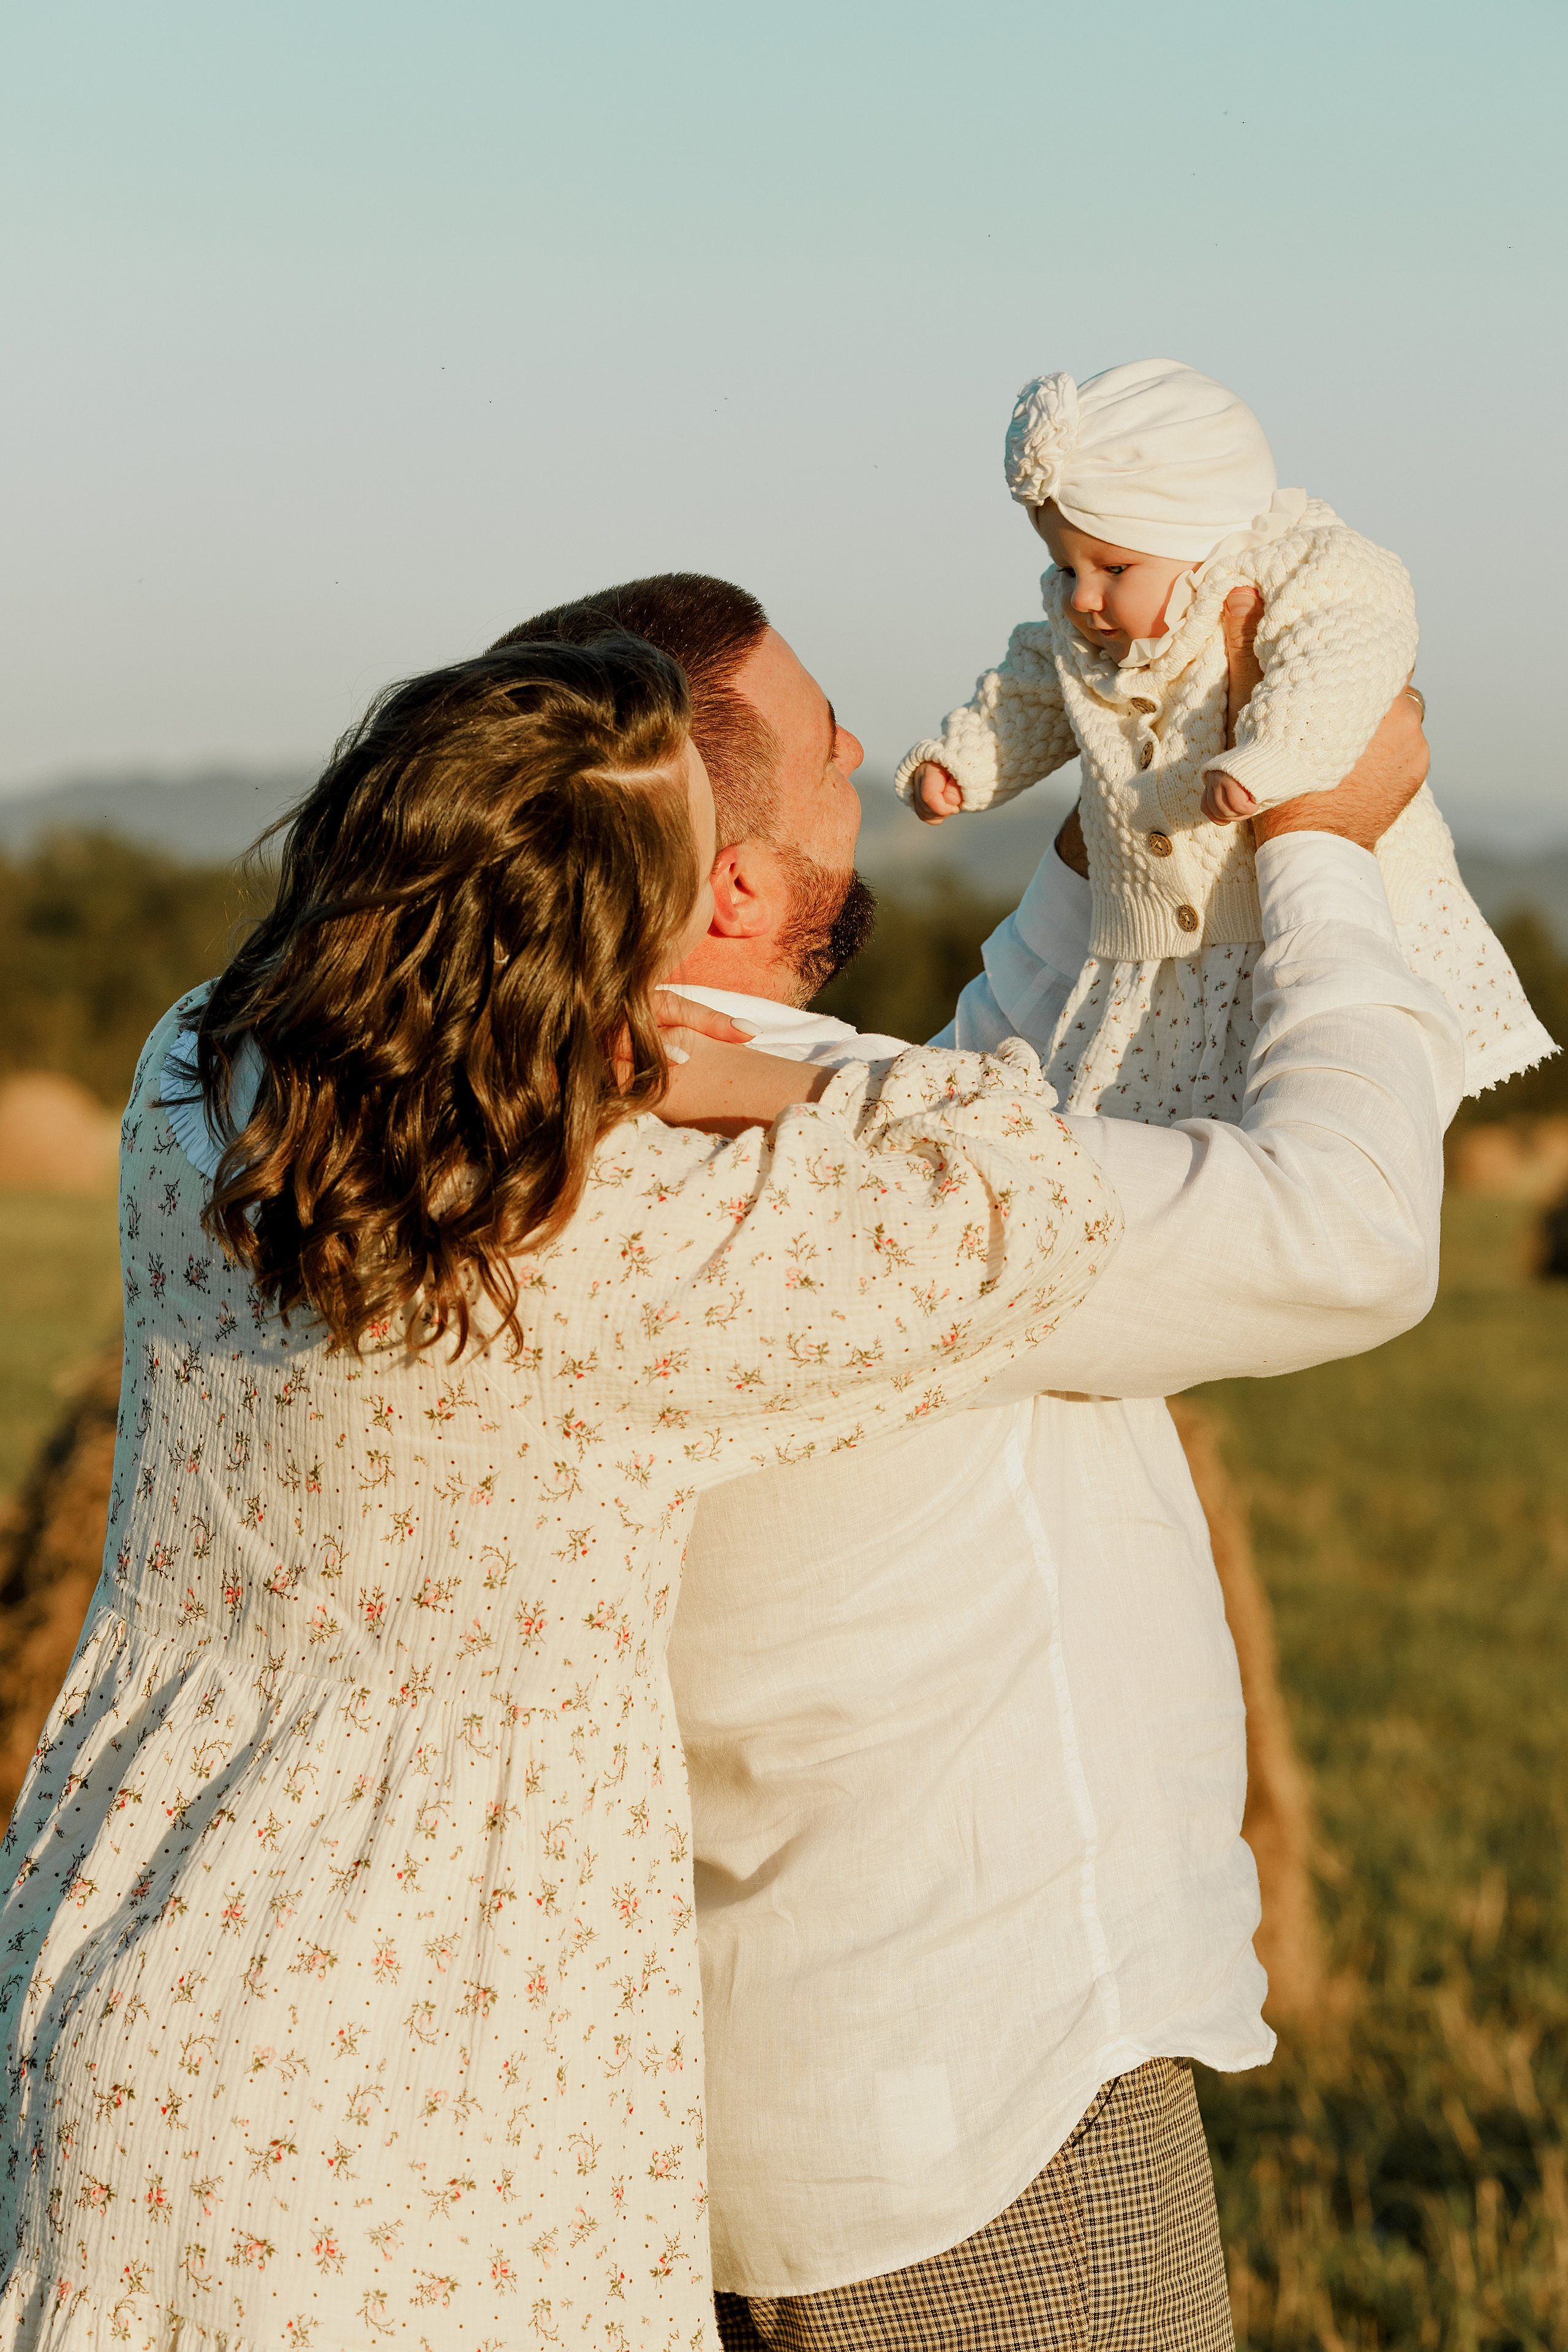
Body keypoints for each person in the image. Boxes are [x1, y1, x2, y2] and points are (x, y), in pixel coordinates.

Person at [0, 636, 1124, 2350]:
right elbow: (1020, 1200)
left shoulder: (191, 1086)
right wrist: (775, 1071)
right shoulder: (599, 1244)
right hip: (430, 2105)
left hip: (114, 1979)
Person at [500, 573, 1458, 2350]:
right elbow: (1353, 1231)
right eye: (813, 741)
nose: (863, 745)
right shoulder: (852, 1196)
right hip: (995, 2131)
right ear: (727, 879)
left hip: (738, 2120)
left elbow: (952, 1116)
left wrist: (1112, 828)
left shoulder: (594, 1131)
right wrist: (1326, 845)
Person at [899, 358, 1553, 1116]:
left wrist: (1274, 753)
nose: (1081, 596)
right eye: (1063, 564)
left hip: (1309, 919)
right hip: (1157, 956)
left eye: (1113, 566)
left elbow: (1343, 652)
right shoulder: (1079, 629)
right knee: (1171, 1137)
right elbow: (1027, 691)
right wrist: (965, 761)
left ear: (1197, 533)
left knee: (1324, 1104)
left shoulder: (1298, 569)